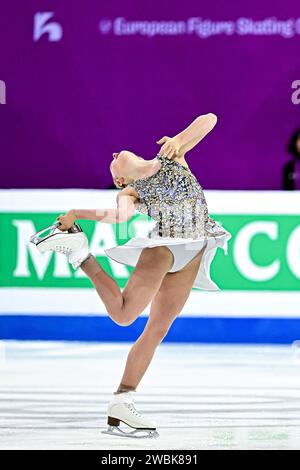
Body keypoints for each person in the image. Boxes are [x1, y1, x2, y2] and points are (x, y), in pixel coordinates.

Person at [31, 113, 232, 438]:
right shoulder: (130, 192)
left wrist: (180, 139)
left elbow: (210, 118)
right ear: (120, 181)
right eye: (112, 163)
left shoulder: (172, 154)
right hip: (165, 248)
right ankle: (80, 253)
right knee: (125, 315)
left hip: (195, 249)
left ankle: (123, 400)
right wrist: (78, 213)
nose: (113, 155)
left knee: (157, 329)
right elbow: (116, 217)